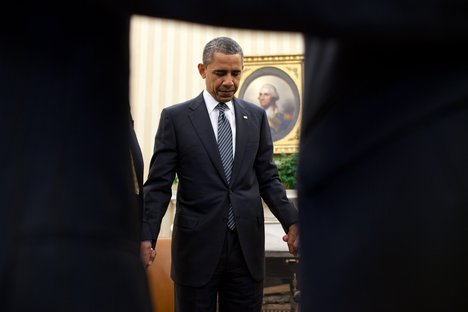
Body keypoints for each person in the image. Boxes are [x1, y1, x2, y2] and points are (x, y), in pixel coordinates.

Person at [142, 36, 299, 312]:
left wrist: (293, 223)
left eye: (235, 73)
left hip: (246, 250)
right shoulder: (176, 118)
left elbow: (268, 178)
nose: (229, 81)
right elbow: (158, 185)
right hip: (196, 250)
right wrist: (145, 236)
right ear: (203, 70)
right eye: (220, 73)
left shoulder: (256, 117)